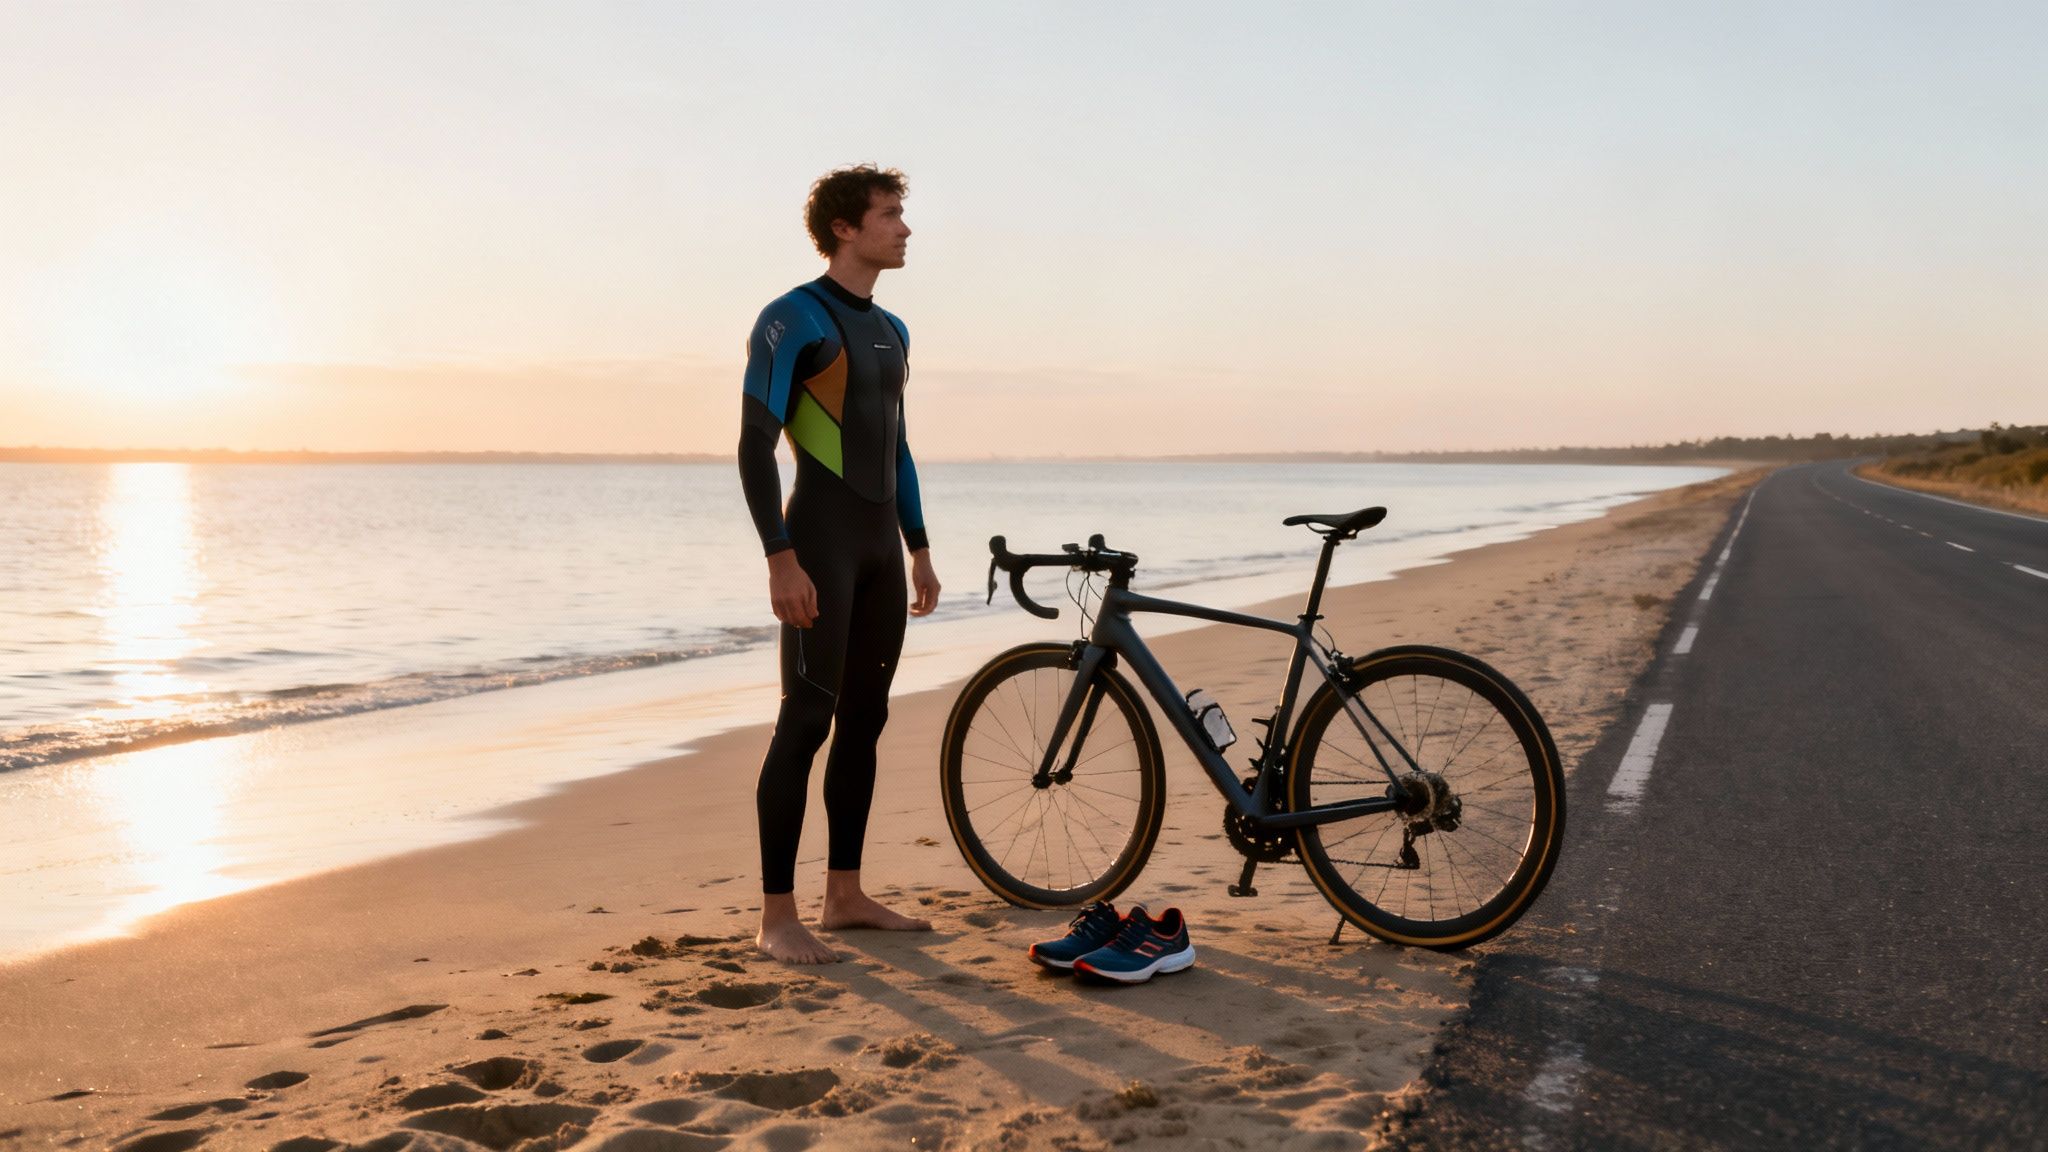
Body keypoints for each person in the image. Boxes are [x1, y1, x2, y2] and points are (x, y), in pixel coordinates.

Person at [737, 164, 941, 964]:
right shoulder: (793, 319)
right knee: (806, 720)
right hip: (817, 541)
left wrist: (918, 546)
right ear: (846, 229)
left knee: (867, 720)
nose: (905, 227)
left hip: (881, 552)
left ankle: (845, 894)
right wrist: (780, 560)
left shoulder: (894, 329)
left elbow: (897, 446)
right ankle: (777, 916)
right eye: (890, 214)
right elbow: (755, 444)